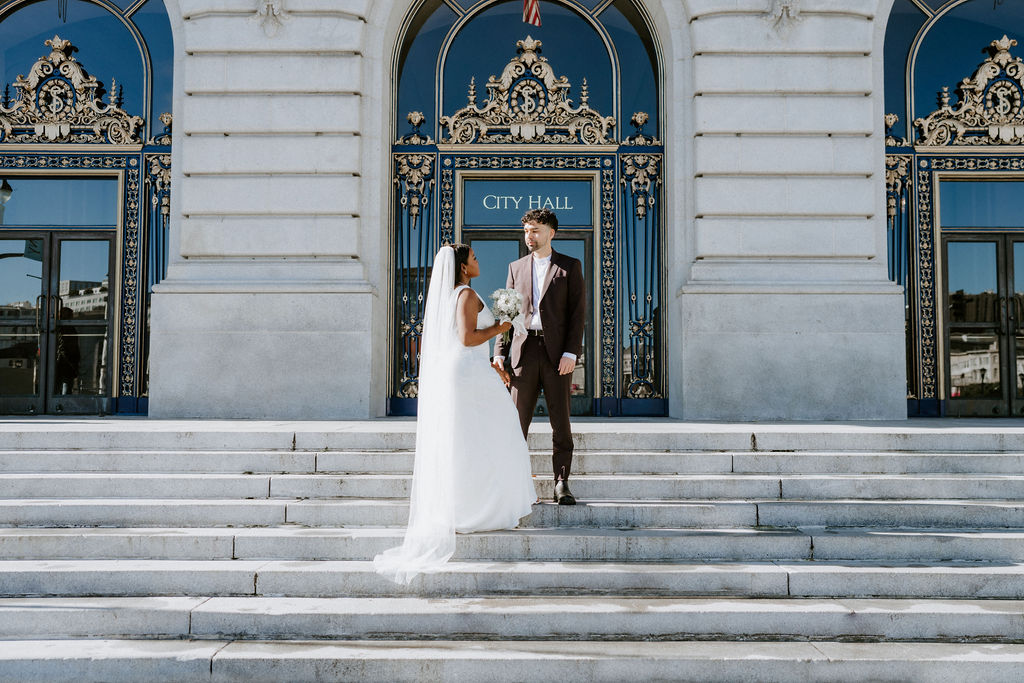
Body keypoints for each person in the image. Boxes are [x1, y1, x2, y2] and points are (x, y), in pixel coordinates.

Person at [374, 244, 535, 585]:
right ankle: (476, 508)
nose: (478, 262)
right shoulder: (465, 295)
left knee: (473, 439)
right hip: (467, 376)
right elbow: (466, 338)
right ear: (463, 268)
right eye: (475, 258)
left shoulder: (453, 296)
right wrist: (501, 328)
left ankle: (470, 504)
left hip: (469, 372)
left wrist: (493, 361)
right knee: (495, 435)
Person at [492, 209, 585, 505]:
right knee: (516, 422)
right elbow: (505, 315)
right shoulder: (515, 267)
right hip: (524, 352)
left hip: (558, 355)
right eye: (527, 231)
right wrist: (499, 353)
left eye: (535, 230)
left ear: (551, 233)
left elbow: (577, 314)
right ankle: (515, 482)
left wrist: (571, 352)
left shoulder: (570, 266)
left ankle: (561, 484)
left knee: (561, 423)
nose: (529, 236)